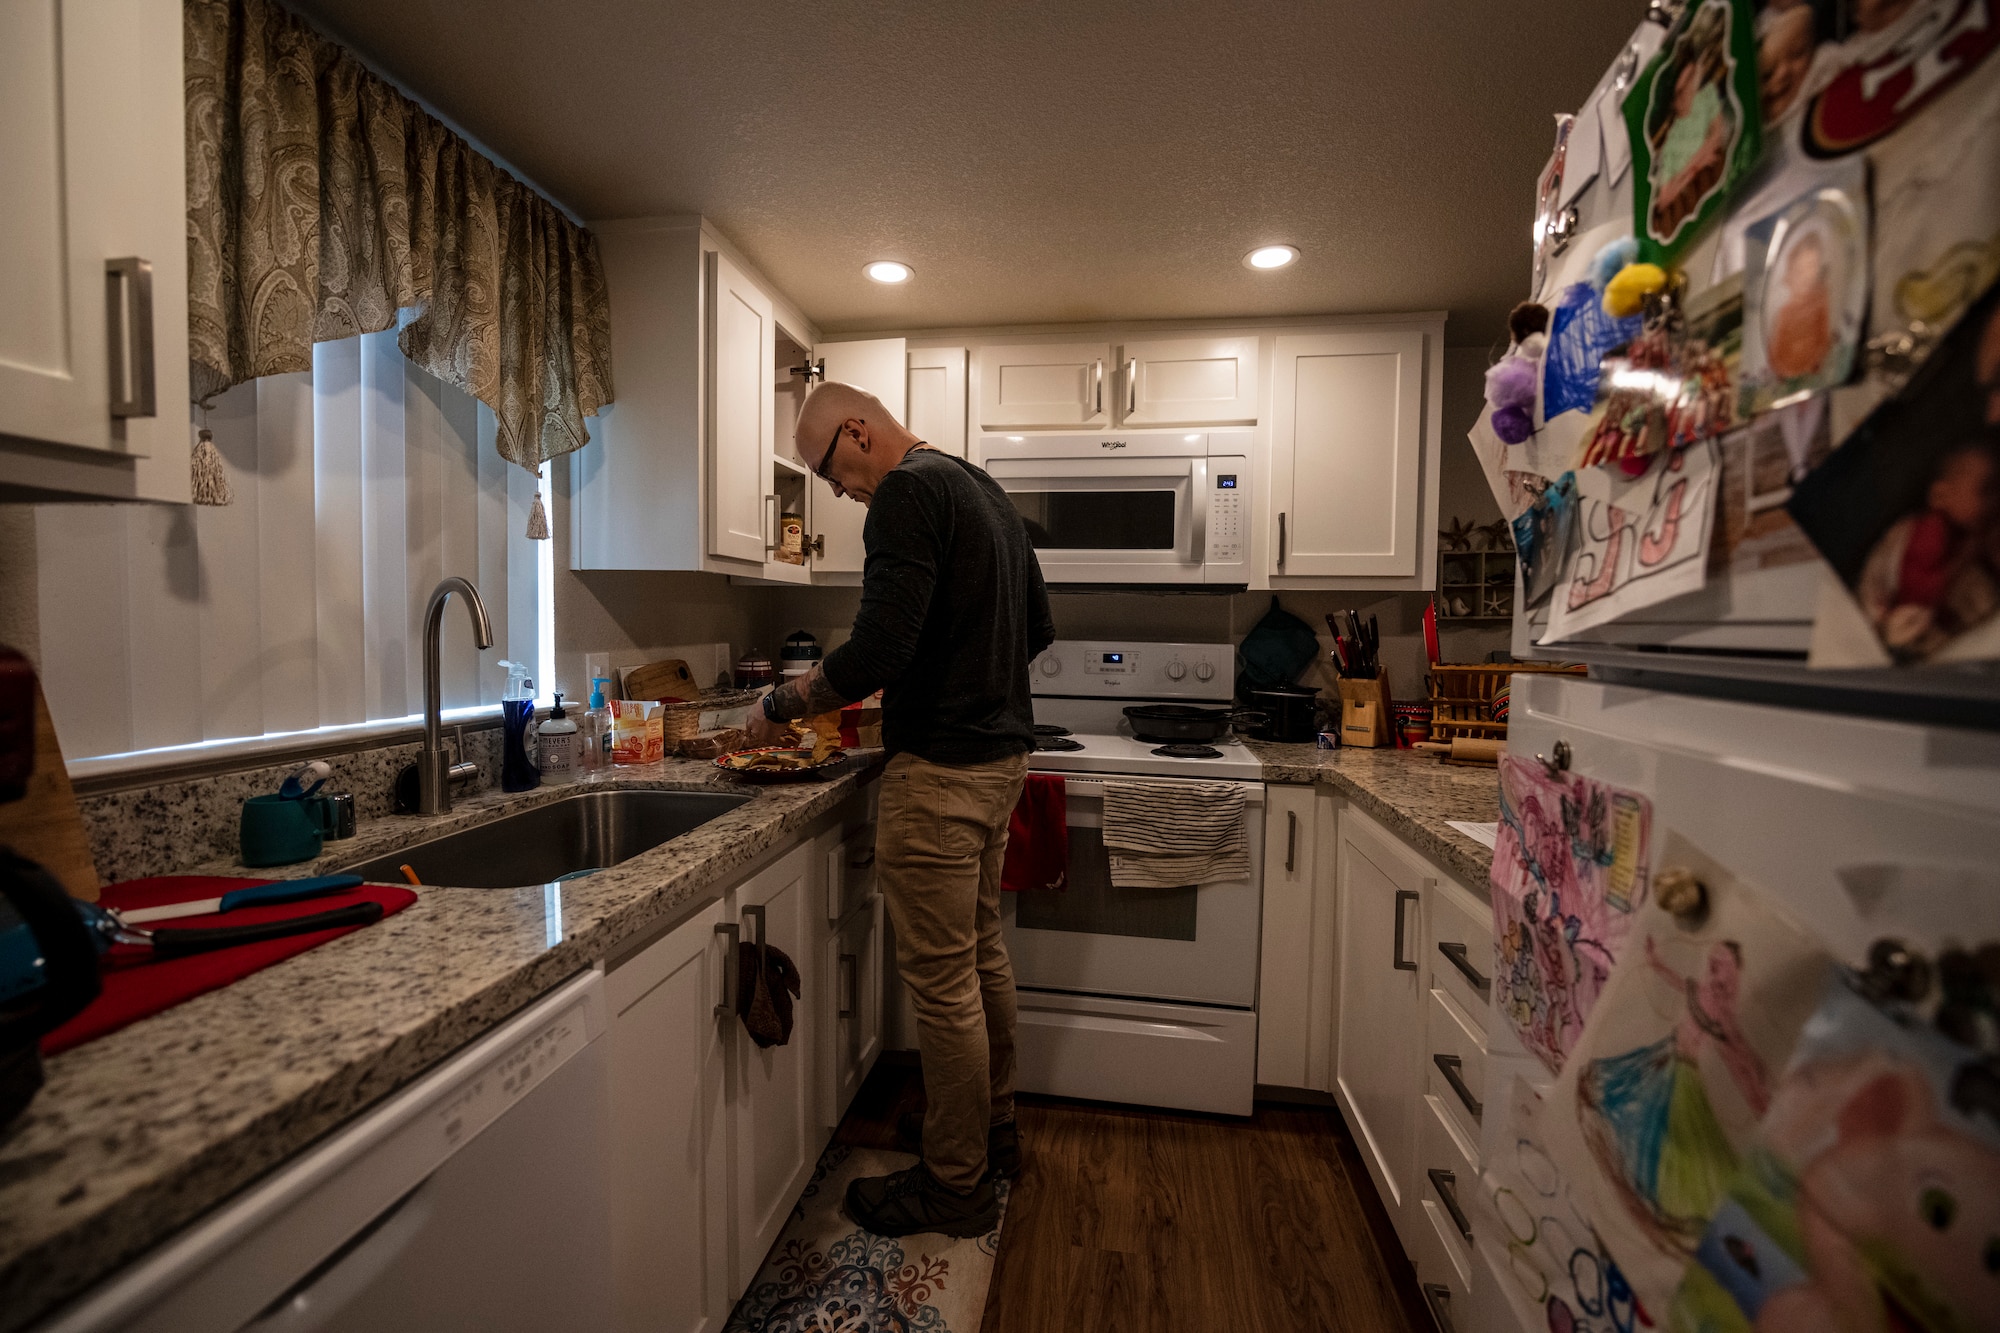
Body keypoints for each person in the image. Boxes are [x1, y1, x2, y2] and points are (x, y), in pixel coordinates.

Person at [748, 381, 1055, 1238]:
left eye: (830, 470)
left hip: (944, 772)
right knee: (981, 956)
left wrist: (780, 705)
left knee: (946, 980)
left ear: (856, 429)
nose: (840, 492)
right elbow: (1036, 627)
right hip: (1000, 761)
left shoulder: (910, 492)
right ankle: (990, 1131)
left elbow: (880, 647)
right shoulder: (981, 488)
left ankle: (954, 1183)